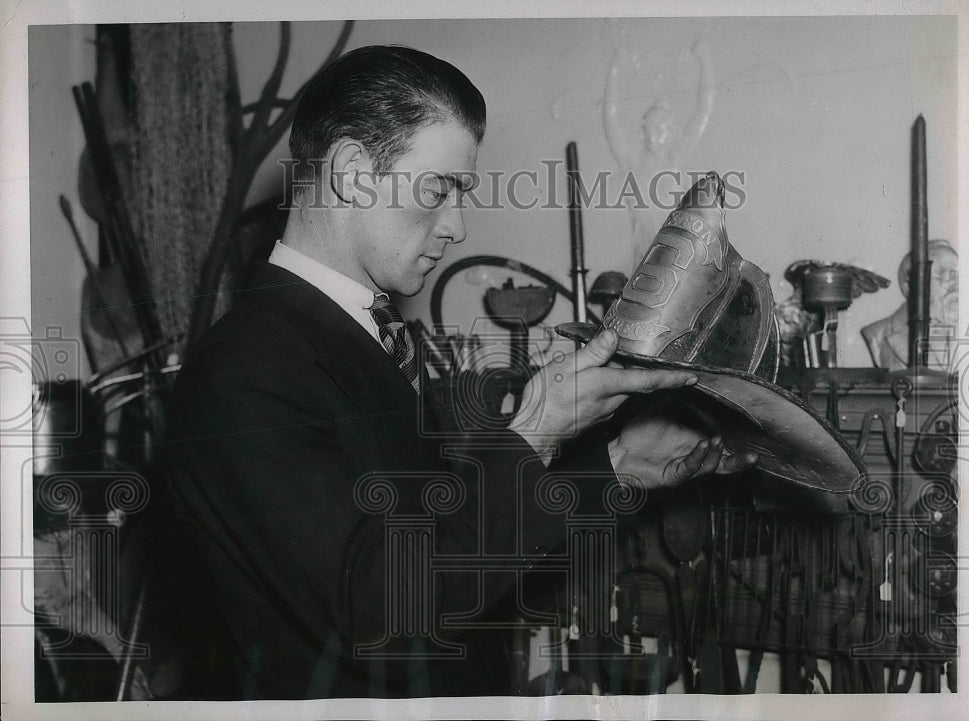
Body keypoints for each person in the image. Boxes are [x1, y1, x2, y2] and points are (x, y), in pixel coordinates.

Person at [164, 45, 755, 699]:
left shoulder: (349, 338)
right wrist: (531, 431)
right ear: (352, 172)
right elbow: (381, 615)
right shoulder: (243, 370)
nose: (457, 224)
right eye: (440, 189)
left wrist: (614, 462)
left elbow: (448, 552)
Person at [861, 239, 959, 370]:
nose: (955, 284)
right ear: (911, 285)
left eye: (956, 275)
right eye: (943, 274)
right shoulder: (878, 333)